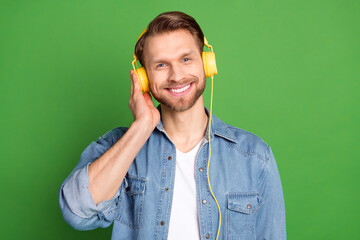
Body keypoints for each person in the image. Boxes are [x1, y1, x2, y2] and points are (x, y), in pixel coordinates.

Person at [58, 11, 286, 240]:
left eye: (186, 59)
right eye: (160, 65)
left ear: (207, 63)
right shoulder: (119, 146)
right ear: (143, 77)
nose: (176, 76)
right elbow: (76, 212)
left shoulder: (255, 157)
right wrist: (141, 127)